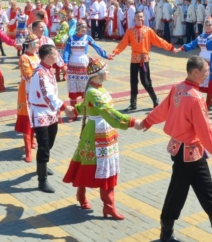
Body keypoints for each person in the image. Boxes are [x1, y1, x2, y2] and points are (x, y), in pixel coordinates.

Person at [139, 56, 212, 242]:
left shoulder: (178, 88)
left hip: (187, 152)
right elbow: (206, 133)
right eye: (205, 71)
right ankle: (167, 235)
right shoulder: (195, 98)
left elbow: (162, 109)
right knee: (179, 194)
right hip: (188, 153)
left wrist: (147, 121)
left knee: (206, 192)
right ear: (195, 72)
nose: (207, 74)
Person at [63, 58, 138, 220]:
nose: (109, 72)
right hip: (96, 132)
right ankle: (85, 197)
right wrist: (131, 122)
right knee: (90, 165)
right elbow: (107, 112)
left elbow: (85, 106)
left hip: (105, 131)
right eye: (107, 70)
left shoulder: (98, 88)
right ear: (98, 74)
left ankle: (107, 206)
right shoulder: (92, 92)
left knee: (104, 168)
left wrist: (73, 110)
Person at [109, 11, 174, 112]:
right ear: (134, 19)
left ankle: (155, 99)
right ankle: (133, 103)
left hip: (144, 59)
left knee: (146, 81)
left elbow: (159, 40)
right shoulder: (130, 31)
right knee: (133, 81)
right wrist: (115, 52)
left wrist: (170, 48)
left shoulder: (148, 30)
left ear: (143, 18)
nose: (140, 19)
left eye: (141, 17)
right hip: (134, 59)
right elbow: (123, 43)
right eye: (138, 17)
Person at [29, 44, 67, 193]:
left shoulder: (49, 70)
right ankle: (42, 180)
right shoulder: (40, 73)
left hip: (51, 111)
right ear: (48, 56)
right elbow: (47, 95)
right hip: (40, 112)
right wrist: (63, 107)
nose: (57, 55)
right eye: (55, 53)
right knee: (44, 145)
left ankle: (42, 165)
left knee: (50, 141)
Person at [62, 21, 109, 104]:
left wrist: (106, 55)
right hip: (72, 64)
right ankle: (74, 112)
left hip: (84, 64)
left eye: (85, 27)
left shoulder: (87, 38)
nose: (84, 29)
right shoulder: (71, 38)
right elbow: (66, 51)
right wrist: (65, 63)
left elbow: (97, 47)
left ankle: (86, 110)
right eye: (82, 27)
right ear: (78, 28)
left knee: (85, 86)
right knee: (72, 86)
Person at [16, 34, 40, 163]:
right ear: (30, 44)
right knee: (27, 119)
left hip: (37, 90)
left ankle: (33, 140)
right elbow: (28, 74)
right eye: (36, 43)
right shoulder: (24, 57)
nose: (38, 45)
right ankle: (28, 152)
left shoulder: (36, 56)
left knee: (36, 117)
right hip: (27, 90)